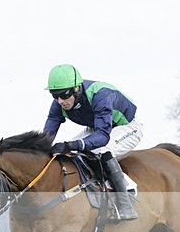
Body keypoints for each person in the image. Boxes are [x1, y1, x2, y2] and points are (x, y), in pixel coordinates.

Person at [43, 64, 142, 220]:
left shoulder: (100, 95)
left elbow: (102, 137)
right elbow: (48, 132)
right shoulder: (59, 103)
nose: (60, 101)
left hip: (126, 126)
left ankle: (126, 200)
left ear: (77, 88)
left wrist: (73, 145)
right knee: (70, 152)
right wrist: (42, 149)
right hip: (98, 127)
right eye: (54, 95)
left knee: (101, 150)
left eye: (63, 94)